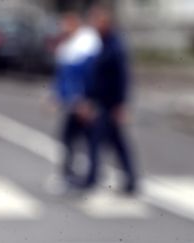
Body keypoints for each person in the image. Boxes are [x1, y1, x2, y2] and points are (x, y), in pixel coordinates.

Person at [84, 5, 138, 194]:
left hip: (111, 104)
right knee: (116, 142)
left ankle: (92, 179)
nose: (93, 25)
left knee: (96, 141)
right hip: (104, 102)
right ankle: (131, 181)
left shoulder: (115, 45)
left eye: (96, 21)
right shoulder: (104, 42)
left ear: (105, 23)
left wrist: (121, 105)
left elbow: (122, 77)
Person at [53, 10, 101, 188]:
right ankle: (76, 176)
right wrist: (57, 96)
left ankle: (88, 179)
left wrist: (85, 101)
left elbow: (86, 77)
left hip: (82, 104)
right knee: (72, 140)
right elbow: (62, 77)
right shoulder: (67, 45)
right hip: (73, 104)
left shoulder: (86, 45)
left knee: (86, 141)